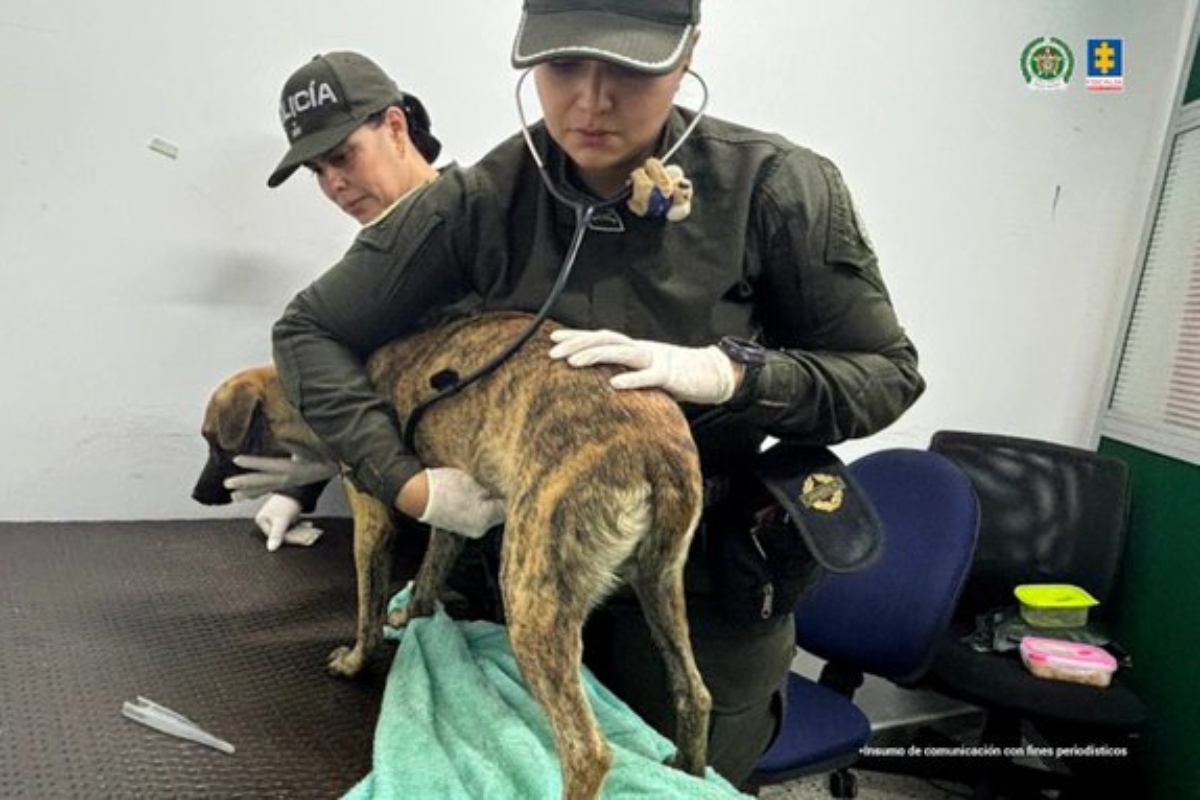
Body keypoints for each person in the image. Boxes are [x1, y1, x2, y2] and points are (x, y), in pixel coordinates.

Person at [255, 0, 925, 787]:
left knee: (681, 772)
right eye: (563, 65)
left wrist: (732, 374)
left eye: (631, 67)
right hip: (518, 561)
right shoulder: (481, 199)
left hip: (697, 573)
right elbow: (308, 332)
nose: (592, 100)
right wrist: (403, 480)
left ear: (687, 54)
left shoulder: (776, 188)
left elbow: (884, 373)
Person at [224, 51, 507, 551]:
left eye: (342, 156)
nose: (333, 184)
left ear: (395, 128)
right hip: (438, 543)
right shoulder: (378, 265)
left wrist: (407, 486)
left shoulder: (467, 215)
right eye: (317, 170)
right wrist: (307, 480)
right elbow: (360, 375)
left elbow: (305, 331)